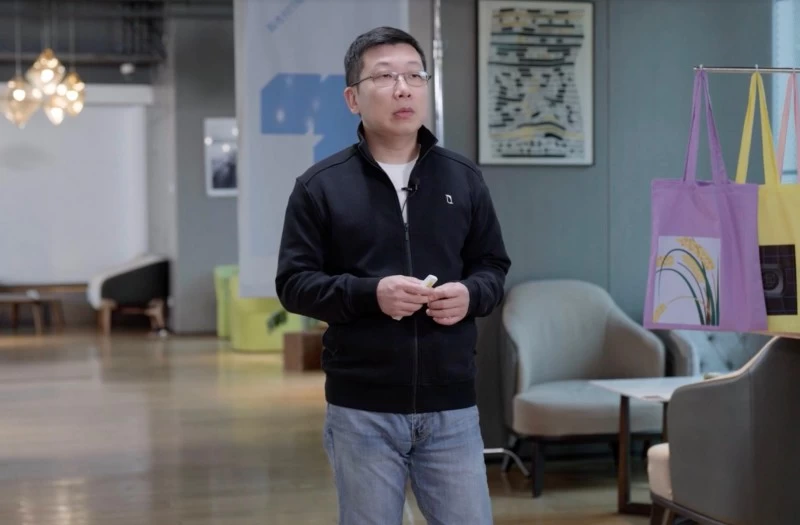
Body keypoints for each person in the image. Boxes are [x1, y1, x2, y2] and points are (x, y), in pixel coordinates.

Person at [275, 26, 510, 525]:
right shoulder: (321, 186)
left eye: (414, 75)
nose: (403, 88)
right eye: (384, 77)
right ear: (352, 98)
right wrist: (370, 294)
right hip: (363, 408)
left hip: (451, 405)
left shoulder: (463, 177)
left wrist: (470, 295)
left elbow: (493, 266)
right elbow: (294, 284)